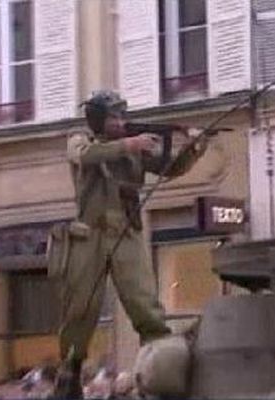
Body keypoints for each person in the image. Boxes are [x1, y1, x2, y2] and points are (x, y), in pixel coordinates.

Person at [52, 90, 208, 398]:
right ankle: (69, 375)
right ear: (97, 119)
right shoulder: (80, 140)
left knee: (145, 304)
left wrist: (194, 147)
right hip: (90, 235)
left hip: (126, 231)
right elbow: (84, 156)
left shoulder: (133, 150)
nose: (121, 121)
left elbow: (169, 168)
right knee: (80, 309)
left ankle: (162, 370)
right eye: (114, 116)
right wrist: (129, 144)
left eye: (122, 115)